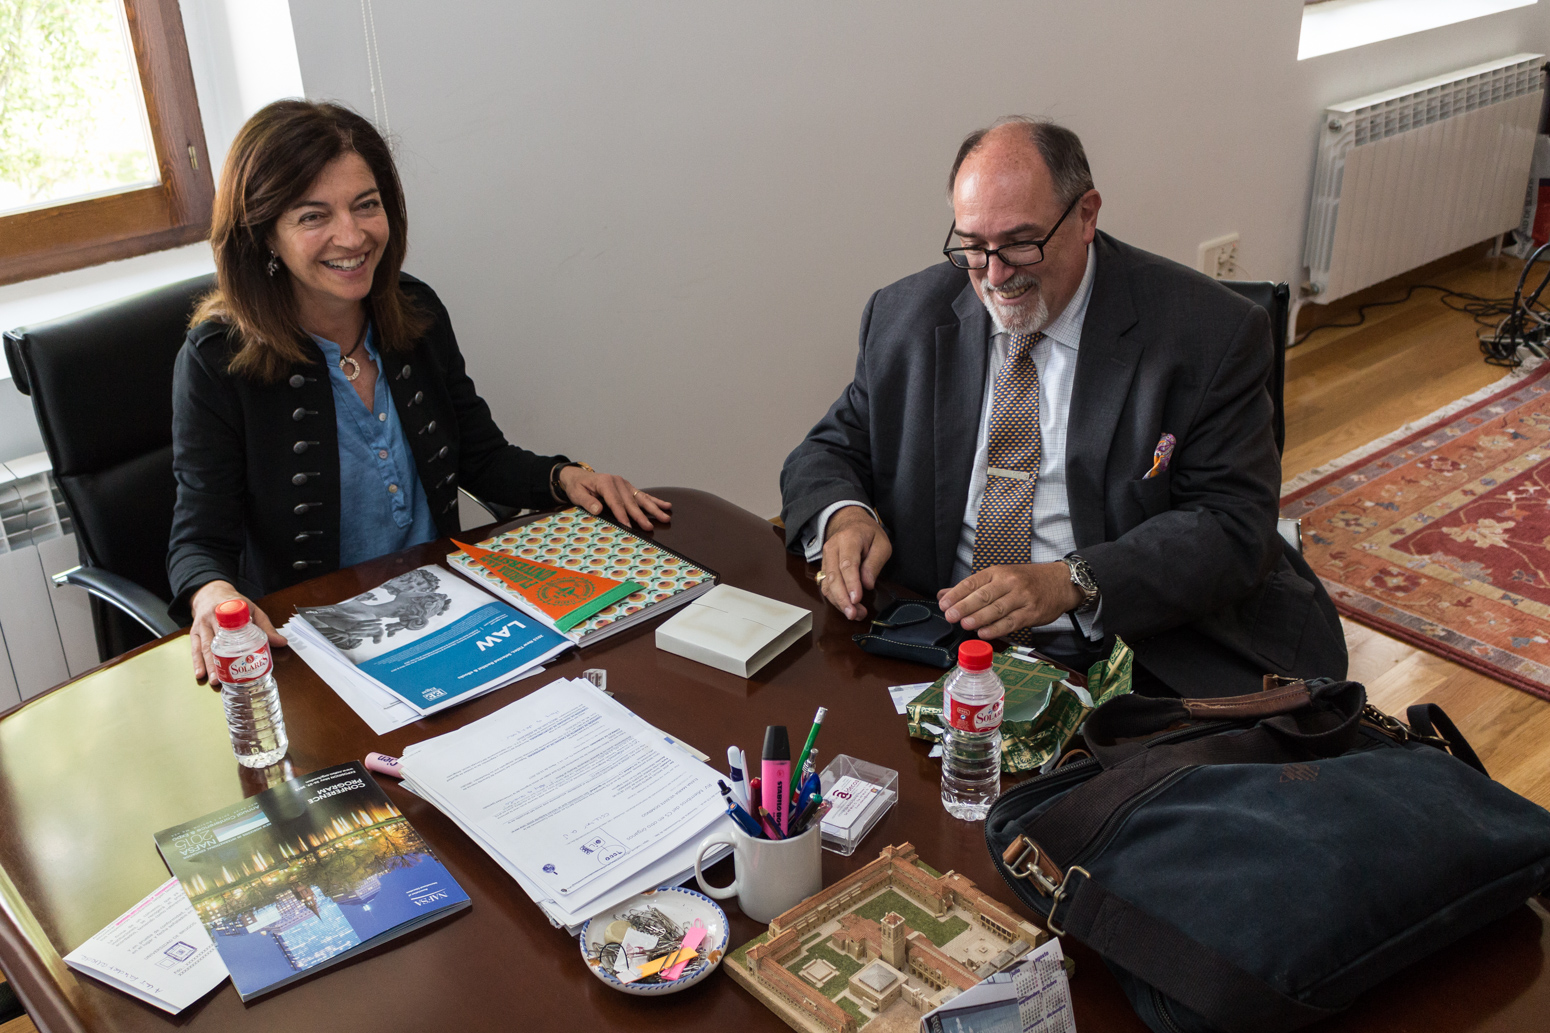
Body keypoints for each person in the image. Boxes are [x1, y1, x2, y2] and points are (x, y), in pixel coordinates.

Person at [779, 117, 1346, 696]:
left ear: (1086, 215)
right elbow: (829, 448)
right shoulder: (905, 316)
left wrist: (1069, 581)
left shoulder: (1210, 334)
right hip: (938, 646)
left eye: (1021, 243)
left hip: (1128, 657)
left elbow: (1233, 526)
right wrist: (845, 515)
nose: (996, 275)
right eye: (973, 246)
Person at [170, 100, 670, 683]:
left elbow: (480, 456)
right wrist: (211, 596)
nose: (351, 236)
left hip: (453, 615)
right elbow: (198, 538)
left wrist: (564, 478)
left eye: (367, 205)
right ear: (265, 235)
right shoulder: (218, 360)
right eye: (313, 216)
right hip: (314, 646)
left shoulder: (415, 310)